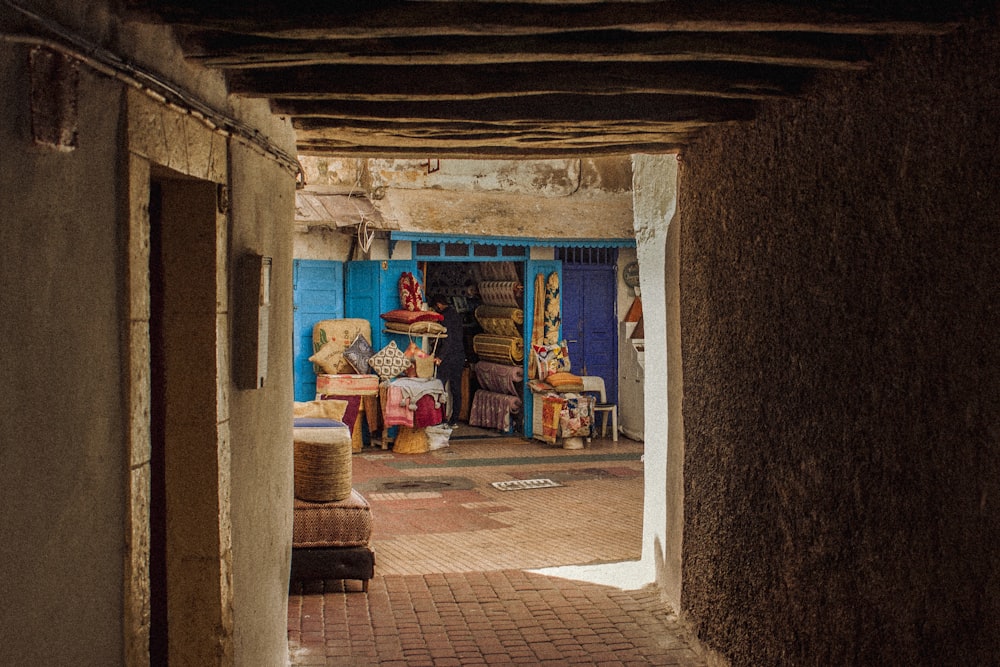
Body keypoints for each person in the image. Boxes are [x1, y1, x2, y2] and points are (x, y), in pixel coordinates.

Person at [430, 294, 466, 425]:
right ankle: (454, 420)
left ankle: (441, 418)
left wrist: (440, 357)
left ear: (438, 305)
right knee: (456, 389)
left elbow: (447, 339)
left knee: (440, 388)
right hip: (459, 356)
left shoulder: (444, 317)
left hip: (447, 358)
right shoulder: (456, 315)